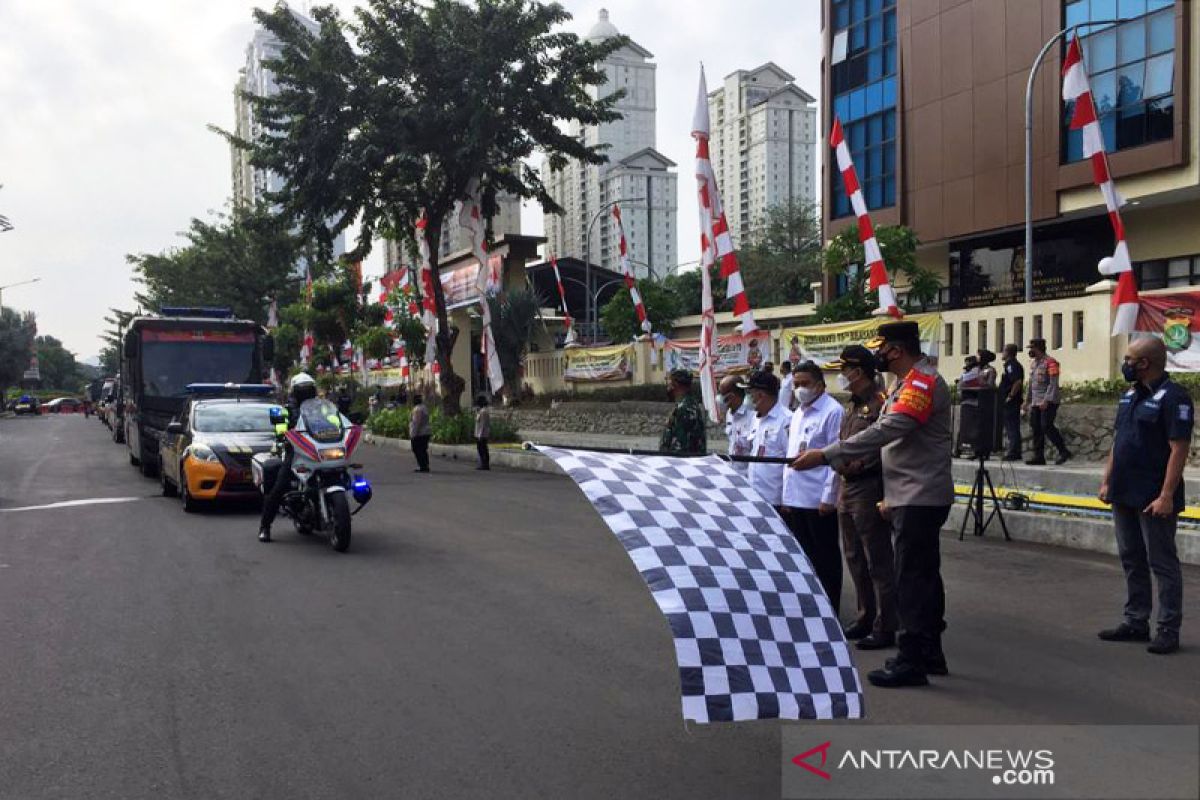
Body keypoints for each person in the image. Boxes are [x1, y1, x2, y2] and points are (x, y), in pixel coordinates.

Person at [790, 321, 953, 688]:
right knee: (922, 576)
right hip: (910, 492)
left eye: (881, 349)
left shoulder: (921, 383)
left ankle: (912, 658)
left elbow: (887, 430)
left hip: (920, 494)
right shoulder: (906, 383)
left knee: (912, 577)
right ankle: (929, 651)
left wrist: (827, 454)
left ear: (895, 350)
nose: (877, 355)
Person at [1098, 337, 1189, 655]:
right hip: (1124, 491)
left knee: (1161, 562)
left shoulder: (1174, 397)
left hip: (1153, 496)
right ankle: (1136, 621)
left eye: (1129, 359)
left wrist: (1166, 495)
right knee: (1131, 558)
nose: (1126, 364)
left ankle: (1167, 629)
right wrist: (1107, 480)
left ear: (1145, 364)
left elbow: (1179, 449)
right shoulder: (1129, 395)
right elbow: (1118, 440)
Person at [825, 345, 897, 651]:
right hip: (847, 486)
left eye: (846, 371)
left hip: (869, 486)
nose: (842, 376)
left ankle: (887, 624)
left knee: (877, 558)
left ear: (860, 372)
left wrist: (863, 465)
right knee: (854, 557)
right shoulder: (851, 406)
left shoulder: (881, 404)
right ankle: (865, 616)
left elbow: (888, 445)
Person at [782, 360, 845, 615]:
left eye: (805, 384)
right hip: (796, 496)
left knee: (825, 558)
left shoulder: (833, 411)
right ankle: (809, 608)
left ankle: (830, 609)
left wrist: (829, 497)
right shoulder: (798, 412)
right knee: (803, 557)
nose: (800, 389)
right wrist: (785, 495)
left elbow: (835, 456)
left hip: (818, 498)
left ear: (820, 384)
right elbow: (790, 456)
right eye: (796, 384)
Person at [258, 372, 319, 543]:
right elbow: (281, 428)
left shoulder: (321, 407)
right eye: (303, 390)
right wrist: (283, 433)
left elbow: (333, 421)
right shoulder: (287, 408)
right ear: (296, 392)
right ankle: (265, 526)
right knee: (280, 486)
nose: (306, 393)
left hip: (319, 449)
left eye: (309, 389)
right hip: (297, 451)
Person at [740, 371, 791, 508]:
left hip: (775, 499)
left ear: (761, 395)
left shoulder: (786, 420)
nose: (748, 398)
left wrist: (786, 498)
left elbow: (791, 462)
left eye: (750, 394)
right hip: (755, 496)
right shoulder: (756, 419)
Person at [1023, 337, 1071, 465]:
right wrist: (1026, 401)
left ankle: (1063, 451)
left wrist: (1047, 400)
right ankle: (1038, 456)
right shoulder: (1033, 364)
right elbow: (1031, 384)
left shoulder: (1051, 362)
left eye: (1032, 348)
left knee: (1046, 426)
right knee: (1036, 428)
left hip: (1048, 401)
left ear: (1038, 348)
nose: (1030, 351)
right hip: (1035, 401)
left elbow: (1053, 383)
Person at [659, 369, 706, 455]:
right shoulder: (687, 404)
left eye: (669, 381)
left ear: (675, 384)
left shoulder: (685, 408)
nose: (667, 385)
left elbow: (681, 444)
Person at [719, 374, 755, 476]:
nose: (719, 399)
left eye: (721, 395)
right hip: (732, 473)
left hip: (747, 476)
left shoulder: (753, 415)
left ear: (731, 396)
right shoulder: (729, 414)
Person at [999, 344, 1025, 461]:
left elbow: (1017, 382)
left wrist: (1010, 396)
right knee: (1010, 426)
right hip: (1009, 401)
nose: (1002, 353)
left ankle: (1014, 451)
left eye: (1003, 351)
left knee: (1012, 426)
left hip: (1011, 402)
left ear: (1008, 353)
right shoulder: (1009, 365)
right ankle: (1014, 450)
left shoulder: (1012, 365)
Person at [410, 394, 432, 473]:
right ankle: (425, 465)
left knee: (417, 449)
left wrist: (413, 434)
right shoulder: (424, 407)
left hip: (420, 433)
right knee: (423, 449)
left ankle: (422, 466)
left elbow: (417, 422)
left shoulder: (417, 409)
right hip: (426, 432)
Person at [474, 394, 491, 471]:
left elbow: (483, 425)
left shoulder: (483, 412)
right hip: (479, 433)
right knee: (481, 448)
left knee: (482, 449)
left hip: (482, 434)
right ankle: (483, 463)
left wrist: (480, 435)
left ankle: (485, 464)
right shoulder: (480, 411)